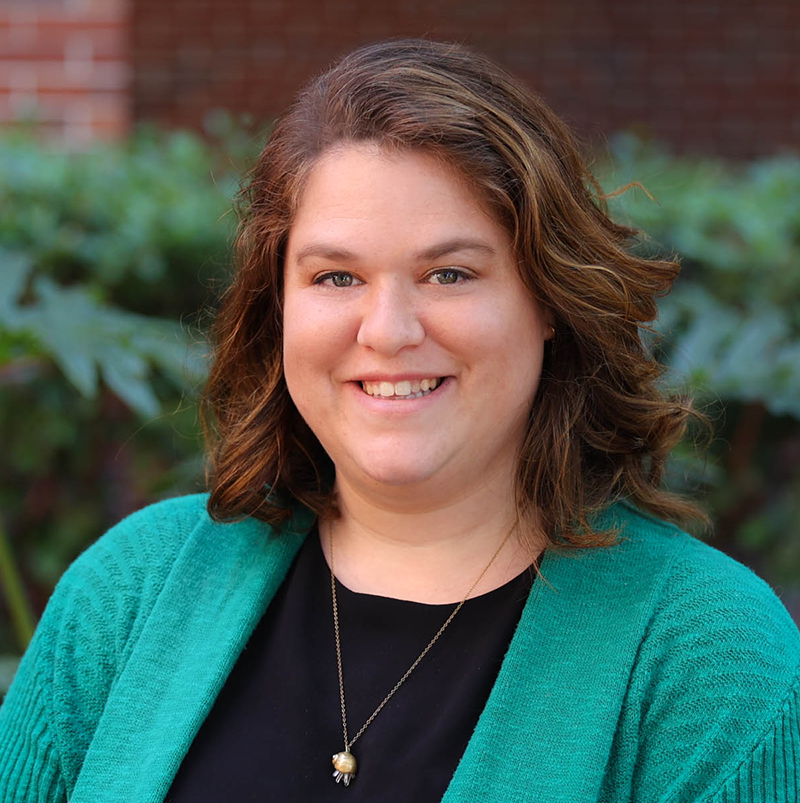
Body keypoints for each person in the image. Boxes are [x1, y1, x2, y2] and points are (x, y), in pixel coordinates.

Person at [1, 38, 798, 803]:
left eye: (449, 273)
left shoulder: (708, 657)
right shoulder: (129, 592)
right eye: (337, 275)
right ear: (279, 304)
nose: (387, 330)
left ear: (550, 300)